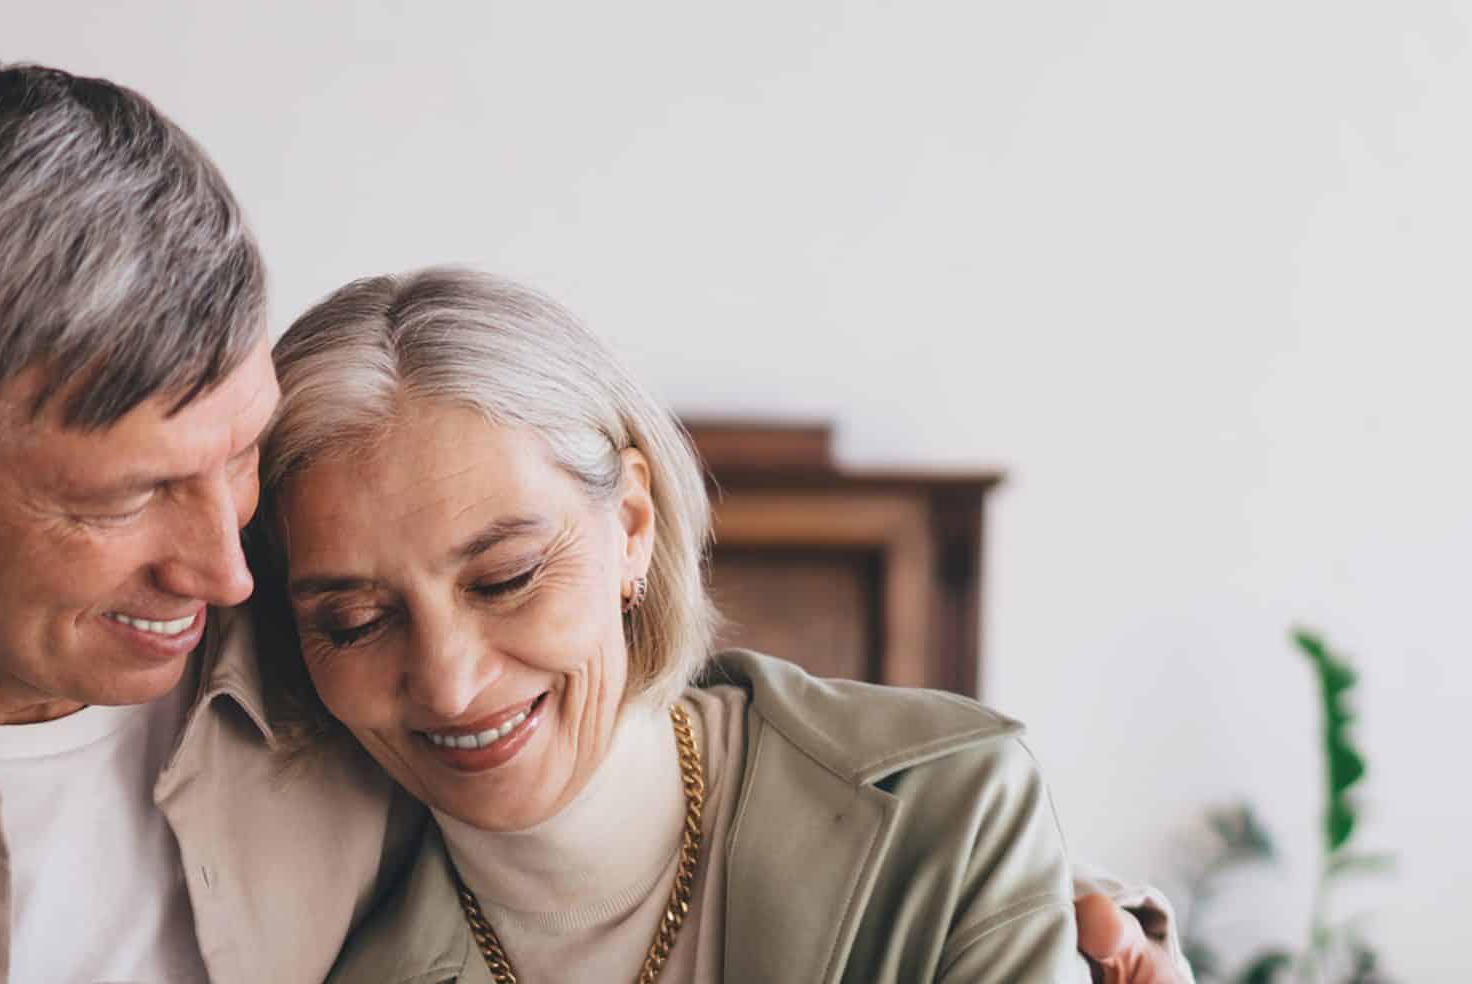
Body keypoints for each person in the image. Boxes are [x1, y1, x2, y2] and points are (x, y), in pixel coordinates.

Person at [0, 64, 1188, 983]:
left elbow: (699, 732)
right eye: (123, 500)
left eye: (236, 461)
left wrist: (1042, 900)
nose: (227, 568)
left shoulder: (326, 651)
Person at [254, 267, 1169, 982]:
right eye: (356, 621)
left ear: (633, 529)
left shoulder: (948, 813)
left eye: (506, 579)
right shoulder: (308, 943)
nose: (449, 682)